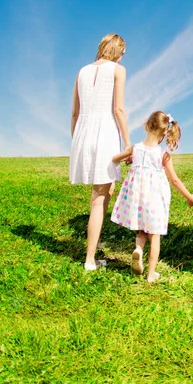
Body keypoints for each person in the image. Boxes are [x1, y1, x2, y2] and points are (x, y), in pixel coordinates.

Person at [110, 111, 193, 283]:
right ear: (166, 132)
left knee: (142, 230)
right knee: (155, 234)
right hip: (155, 198)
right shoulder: (163, 155)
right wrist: (190, 197)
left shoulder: (135, 149)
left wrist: (129, 158)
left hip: (138, 197)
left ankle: (138, 249)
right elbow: (174, 179)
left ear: (146, 125)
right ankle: (151, 274)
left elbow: (115, 159)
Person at [70, 33, 131, 271]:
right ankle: (89, 260)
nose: (124, 55)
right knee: (99, 196)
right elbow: (118, 109)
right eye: (123, 51)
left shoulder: (81, 71)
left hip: (83, 132)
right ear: (117, 51)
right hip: (104, 132)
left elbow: (75, 113)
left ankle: (94, 244)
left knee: (106, 189)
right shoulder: (118, 70)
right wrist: (127, 143)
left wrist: (76, 139)